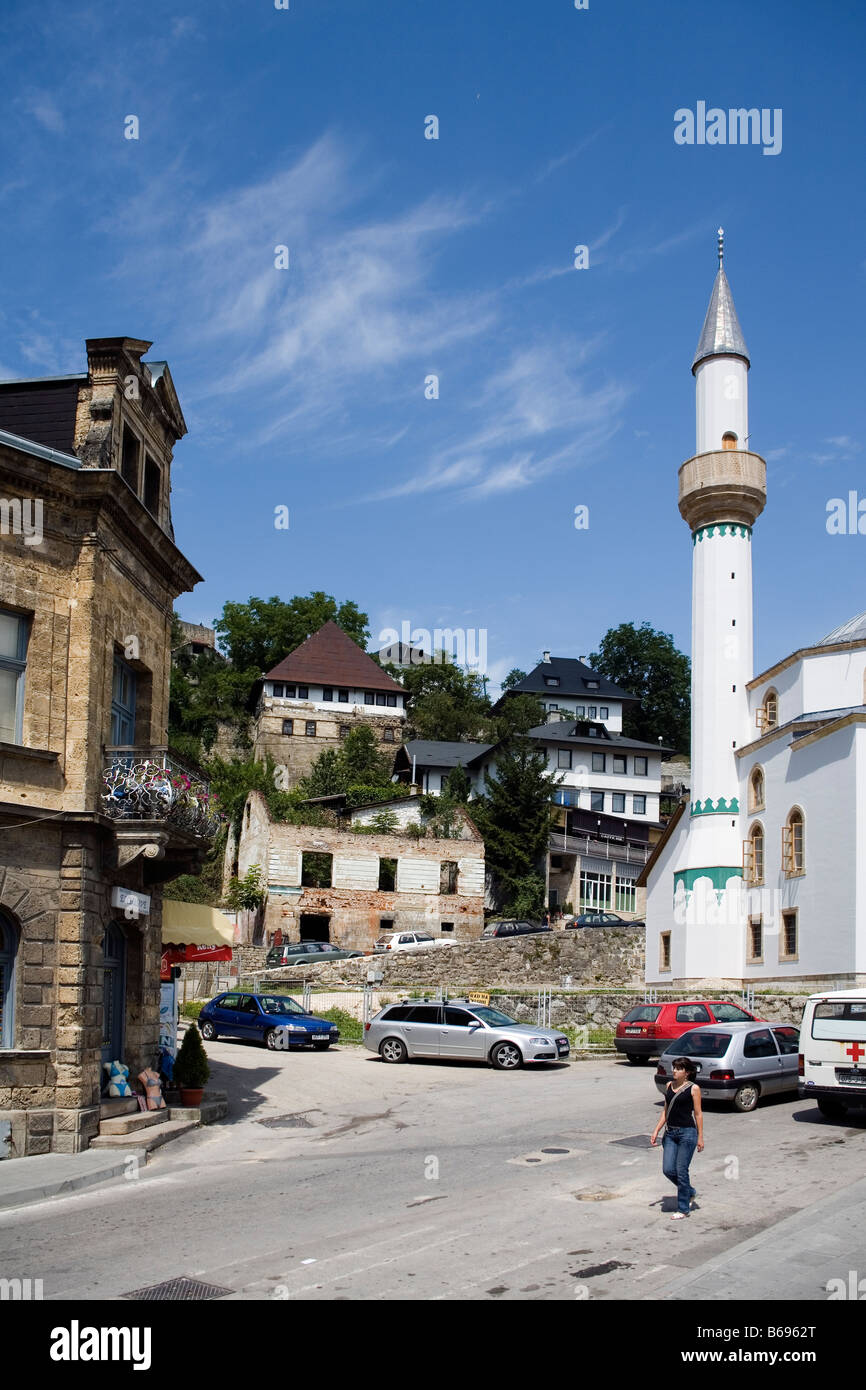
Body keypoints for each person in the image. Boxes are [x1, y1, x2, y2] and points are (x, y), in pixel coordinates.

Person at [650, 1057, 704, 1219]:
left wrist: (700, 1137)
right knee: (668, 1169)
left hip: (687, 1133)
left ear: (686, 1073)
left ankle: (683, 1209)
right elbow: (666, 1111)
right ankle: (690, 1192)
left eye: (678, 1069)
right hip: (671, 1134)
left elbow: (698, 1114)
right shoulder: (668, 1086)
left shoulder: (694, 1089)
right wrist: (656, 1130)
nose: (674, 1070)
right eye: (674, 1068)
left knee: (681, 1170)